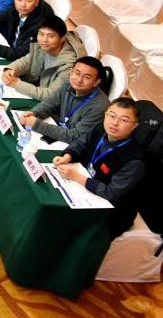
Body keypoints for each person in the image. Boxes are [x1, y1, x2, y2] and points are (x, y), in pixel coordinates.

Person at [52, 97, 146, 235]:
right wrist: (68, 156)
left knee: (58, 221)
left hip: (110, 211)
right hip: (83, 187)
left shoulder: (133, 160)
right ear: (105, 114)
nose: (114, 123)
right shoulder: (99, 128)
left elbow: (111, 193)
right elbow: (80, 143)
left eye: (124, 120)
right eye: (111, 115)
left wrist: (76, 177)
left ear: (135, 126)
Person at [16, 56, 109, 144]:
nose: (79, 79)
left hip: (75, 145)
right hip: (60, 131)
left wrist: (37, 125)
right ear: (71, 72)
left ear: (96, 82)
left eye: (87, 77)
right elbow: (50, 103)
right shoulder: (68, 84)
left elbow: (76, 136)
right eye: (77, 73)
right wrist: (34, 113)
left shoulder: (99, 106)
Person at [2, 16, 84, 101]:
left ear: (62, 38)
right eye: (41, 34)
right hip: (37, 88)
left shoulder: (69, 65)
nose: (44, 39)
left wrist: (17, 84)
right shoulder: (45, 46)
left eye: (51, 36)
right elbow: (27, 60)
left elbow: (50, 95)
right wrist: (12, 69)